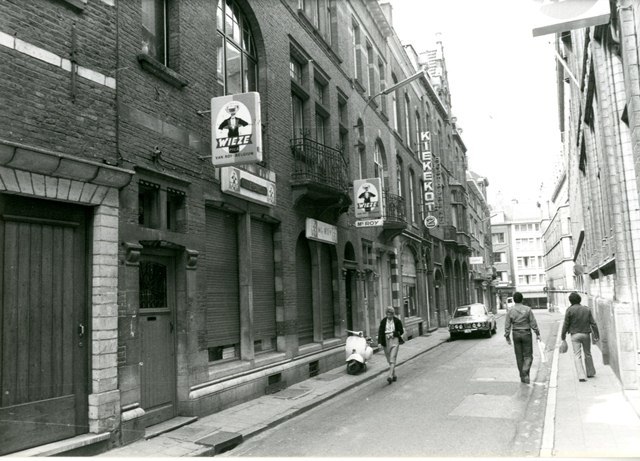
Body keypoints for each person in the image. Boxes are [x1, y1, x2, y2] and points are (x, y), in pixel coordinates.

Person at [561, 292, 600, 382]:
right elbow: (593, 323)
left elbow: (565, 325)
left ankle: (581, 376)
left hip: (575, 335)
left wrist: (563, 336)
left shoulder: (569, 310)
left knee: (577, 355)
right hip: (586, 334)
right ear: (580, 299)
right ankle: (590, 373)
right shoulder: (586, 309)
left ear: (570, 301)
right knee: (588, 353)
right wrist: (596, 335)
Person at [504, 292, 540, 384]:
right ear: (522, 299)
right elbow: (533, 322)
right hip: (526, 333)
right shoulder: (527, 309)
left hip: (515, 334)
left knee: (519, 357)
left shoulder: (510, 310)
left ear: (514, 300)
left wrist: (507, 336)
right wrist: (537, 333)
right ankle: (525, 371)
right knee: (528, 356)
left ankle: (523, 377)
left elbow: (507, 324)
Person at [377, 306, 404, 385]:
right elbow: (380, 332)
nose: (389, 316)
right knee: (389, 359)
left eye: (390, 314)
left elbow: (401, 331)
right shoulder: (383, 321)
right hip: (386, 341)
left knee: (392, 357)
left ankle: (390, 376)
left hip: (394, 340)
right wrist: (379, 342)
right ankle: (394, 374)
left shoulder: (397, 321)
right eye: (387, 314)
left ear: (393, 314)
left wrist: (393, 334)